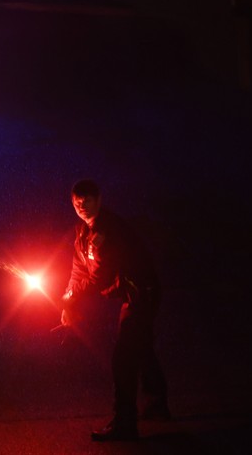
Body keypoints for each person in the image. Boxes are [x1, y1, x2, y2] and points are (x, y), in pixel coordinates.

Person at [60, 179, 170, 441]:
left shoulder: (106, 230)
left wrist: (72, 297)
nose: (82, 207)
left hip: (142, 293)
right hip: (134, 294)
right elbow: (78, 270)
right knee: (140, 347)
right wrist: (67, 299)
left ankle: (125, 422)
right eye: (77, 203)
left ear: (99, 200)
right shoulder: (82, 232)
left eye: (87, 201)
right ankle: (157, 405)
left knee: (124, 356)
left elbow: (100, 276)